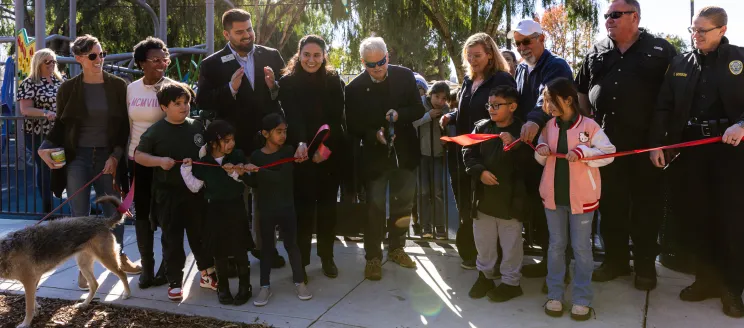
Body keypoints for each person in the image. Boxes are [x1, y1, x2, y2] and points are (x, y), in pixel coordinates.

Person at [571, 0, 675, 290]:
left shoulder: (660, 50)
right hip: (606, 149)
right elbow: (581, 90)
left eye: (615, 15)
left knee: (645, 208)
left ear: (635, 17)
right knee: (611, 207)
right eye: (606, 15)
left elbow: (673, 98)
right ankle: (615, 261)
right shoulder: (597, 50)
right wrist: (587, 126)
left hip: (646, 147)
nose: (608, 20)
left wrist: (663, 142)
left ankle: (644, 266)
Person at [650, 6, 744, 318]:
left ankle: (732, 289)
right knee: (698, 219)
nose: (696, 35)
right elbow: (663, 106)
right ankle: (705, 281)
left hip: (729, 153)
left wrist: (742, 124)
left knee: (729, 223)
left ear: (722, 30)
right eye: (694, 29)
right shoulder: (681, 62)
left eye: (703, 30)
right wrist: (657, 144)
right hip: (690, 153)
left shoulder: (740, 60)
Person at [38, 35, 140, 291]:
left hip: (108, 155)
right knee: (79, 218)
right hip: (77, 157)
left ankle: (119, 258)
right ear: (79, 59)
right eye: (93, 56)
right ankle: (85, 271)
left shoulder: (118, 85)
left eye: (102, 54)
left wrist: (116, 156)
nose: (100, 60)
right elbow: (61, 125)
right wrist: (44, 147)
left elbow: (122, 128)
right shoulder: (68, 88)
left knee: (113, 214)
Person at [196, 8, 286, 268]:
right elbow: (202, 100)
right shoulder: (212, 63)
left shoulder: (271, 56)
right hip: (232, 146)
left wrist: (273, 87)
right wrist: (230, 90)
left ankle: (264, 248)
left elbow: (284, 97)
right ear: (226, 34)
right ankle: (235, 254)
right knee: (235, 202)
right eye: (240, 32)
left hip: (264, 143)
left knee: (265, 201)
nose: (247, 35)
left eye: (249, 29)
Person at [535, 78, 616, 321]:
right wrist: (540, 151)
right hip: (552, 198)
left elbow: (609, 154)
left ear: (568, 99)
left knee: (581, 249)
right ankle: (555, 295)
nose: (547, 105)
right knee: (556, 247)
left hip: (582, 200)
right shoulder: (548, 126)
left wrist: (584, 153)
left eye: (551, 99)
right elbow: (541, 154)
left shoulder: (590, 126)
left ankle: (582, 298)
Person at [346, 36, 423, 280]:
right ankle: (373, 258)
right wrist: (373, 135)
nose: (377, 68)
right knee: (374, 209)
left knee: (403, 206)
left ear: (387, 57)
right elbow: (353, 126)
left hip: (405, 155)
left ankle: (397, 248)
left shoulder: (405, 76)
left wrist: (399, 115)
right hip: (375, 159)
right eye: (371, 65)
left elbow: (418, 109)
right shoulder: (354, 88)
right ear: (362, 63)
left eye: (381, 62)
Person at [439, 33, 515, 270]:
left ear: (490, 54)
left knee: (487, 207)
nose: (472, 60)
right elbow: (466, 111)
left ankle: (494, 259)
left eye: (478, 55)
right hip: (462, 152)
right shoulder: (467, 80)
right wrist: (451, 116)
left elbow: (507, 114)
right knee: (465, 204)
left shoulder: (502, 79)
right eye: (469, 56)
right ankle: (472, 254)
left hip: (488, 153)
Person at [135, 82, 216, 301]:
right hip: (168, 195)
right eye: (177, 103)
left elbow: (206, 152)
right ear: (164, 107)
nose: (184, 107)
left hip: (196, 193)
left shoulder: (197, 127)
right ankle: (174, 281)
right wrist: (160, 161)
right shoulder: (155, 131)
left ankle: (207, 274)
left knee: (201, 235)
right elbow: (139, 155)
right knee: (172, 239)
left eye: (186, 102)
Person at [507, 19, 574, 280]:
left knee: (555, 211)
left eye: (527, 41)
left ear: (541, 38)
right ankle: (549, 263)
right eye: (518, 43)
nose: (523, 47)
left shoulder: (556, 65)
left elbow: (546, 98)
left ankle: (560, 271)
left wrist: (535, 119)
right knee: (539, 209)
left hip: (556, 149)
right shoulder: (522, 69)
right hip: (534, 151)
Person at [279, 34, 345, 280]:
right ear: (299, 54)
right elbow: (292, 117)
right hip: (300, 154)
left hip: (327, 154)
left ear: (324, 56)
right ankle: (301, 262)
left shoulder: (332, 79)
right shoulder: (287, 82)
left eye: (317, 55)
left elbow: (337, 118)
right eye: (306, 54)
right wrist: (301, 144)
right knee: (303, 211)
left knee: (327, 210)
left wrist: (324, 149)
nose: (311, 60)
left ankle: (327, 257)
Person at [463, 85, 531, 302]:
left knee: (511, 242)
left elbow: (531, 164)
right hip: (483, 197)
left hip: (512, 198)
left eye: (496, 105)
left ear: (512, 106)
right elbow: (468, 152)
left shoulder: (523, 131)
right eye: (489, 105)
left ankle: (511, 282)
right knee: (484, 240)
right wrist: (479, 171)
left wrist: (515, 146)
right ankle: (485, 276)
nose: (491, 109)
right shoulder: (481, 127)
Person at [181, 120, 255, 306]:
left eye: (233, 140)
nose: (231, 144)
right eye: (226, 140)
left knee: (239, 249)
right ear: (214, 142)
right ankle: (223, 288)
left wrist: (236, 172)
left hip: (235, 207)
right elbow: (195, 186)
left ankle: (245, 286)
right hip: (214, 209)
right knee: (219, 252)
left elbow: (247, 180)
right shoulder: (204, 163)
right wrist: (186, 169)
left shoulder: (237, 156)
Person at [246, 113, 312, 306]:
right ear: (266, 134)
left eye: (285, 131)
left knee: (292, 245)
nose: (283, 135)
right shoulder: (257, 156)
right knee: (266, 248)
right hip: (266, 210)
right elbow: (255, 183)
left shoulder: (288, 152)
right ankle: (264, 287)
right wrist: (239, 173)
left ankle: (300, 282)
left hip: (286, 208)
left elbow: (280, 178)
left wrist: (258, 171)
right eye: (278, 132)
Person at [127, 36, 171, 289]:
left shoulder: (172, 88)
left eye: (164, 59)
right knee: (142, 214)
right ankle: (147, 266)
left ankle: (167, 266)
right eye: (155, 60)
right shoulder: (131, 89)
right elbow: (129, 124)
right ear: (142, 63)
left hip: (164, 162)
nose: (161, 63)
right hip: (137, 160)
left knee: (165, 216)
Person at [17, 49, 62, 214]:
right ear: (39, 63)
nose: (52, 65)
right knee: (44, 167)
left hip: (58, 131)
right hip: (37, 133)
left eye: (54, 61)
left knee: (61, 165)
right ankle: (47, 208)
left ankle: (66, 201)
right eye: (48, 62)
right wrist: (45, 113)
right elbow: (25, 109)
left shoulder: (59, 80)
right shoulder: (29, 82)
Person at [412, 81, 450, 239]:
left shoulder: (446, 110)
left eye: (443, 98)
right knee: (423, 191)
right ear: (430, 95)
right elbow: (412, 123)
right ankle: (425, 226)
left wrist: (447, 138)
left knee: (438, 192)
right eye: (436, 97)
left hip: (438, 155)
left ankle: (439, 227)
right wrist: (428, 116)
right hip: (421, 154)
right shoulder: (420, 105)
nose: (439, 101)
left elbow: (450, 129)